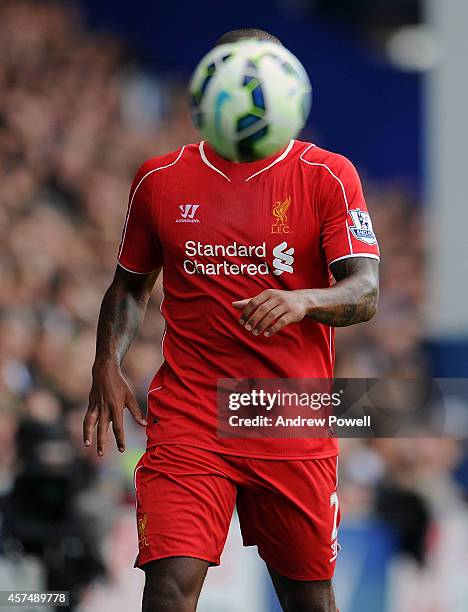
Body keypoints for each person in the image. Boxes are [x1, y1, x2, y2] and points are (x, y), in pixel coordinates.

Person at [83, 27, 380, 612]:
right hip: (191, 414)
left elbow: (365, 291)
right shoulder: (159, 181)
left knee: (309, 600)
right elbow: (129, 286)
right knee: (169, 586)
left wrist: (305, 300)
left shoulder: (327, 176)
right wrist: (106, 362)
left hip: (289, 415)